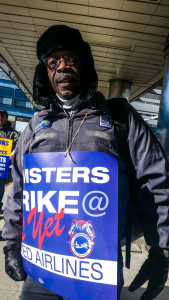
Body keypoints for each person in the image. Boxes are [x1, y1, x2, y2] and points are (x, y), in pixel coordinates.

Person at [2, 25, 169, 300]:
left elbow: (158, 185)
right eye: (53, 61)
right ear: (45, 72)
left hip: (97, 270)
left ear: (86, 65)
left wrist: (161, 252)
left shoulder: (119, 118)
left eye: (72, 59)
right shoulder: (36, 125)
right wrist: (11, 243)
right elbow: (19, 189)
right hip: (41, 269)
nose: (63, 67)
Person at [0, 109, 20, 214]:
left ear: (6, 118)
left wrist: (12, 153)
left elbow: (20, 144)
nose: (0, 118)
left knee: (0, 188)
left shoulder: (13, 133)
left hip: (2, 167)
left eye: (2, 116)